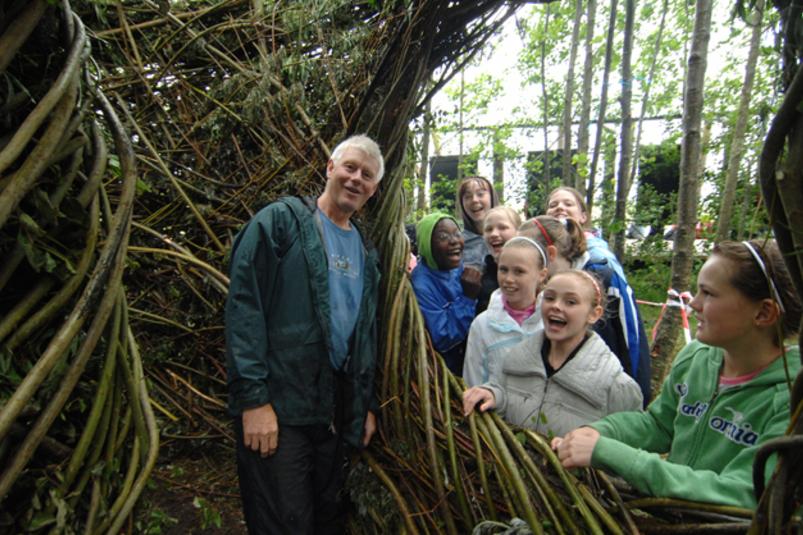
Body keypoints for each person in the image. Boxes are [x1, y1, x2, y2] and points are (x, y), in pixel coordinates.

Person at [551, 240, 802, 508]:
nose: (694, 303)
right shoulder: (696, 358)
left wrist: (617, 456)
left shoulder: (791, 397)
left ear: (763, 313)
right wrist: (599, 433)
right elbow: (660, 424)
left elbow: (744, 492)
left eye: (709, 293)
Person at [225, 134, 383, 534]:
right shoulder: (281, 222)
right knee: (283, 521)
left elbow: (363, 337)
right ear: (330, 168)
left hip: (332, 411)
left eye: (367, 175)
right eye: (349, 167)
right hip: (279, 408)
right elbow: (245, 308)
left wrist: (364, 404)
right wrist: (254, 401)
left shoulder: (367, 252)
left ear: (374, 189)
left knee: (325, 519)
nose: (355, 179)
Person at [463, 269, 643, 437]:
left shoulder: (616, 387)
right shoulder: (516, 361)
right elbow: (505, 395)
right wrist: (494, 396)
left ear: (594, 314)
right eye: (549, 298)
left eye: (570, 302)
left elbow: (628, 450)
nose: (556, 306)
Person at [520, 215, 652, 405]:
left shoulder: (602, 276)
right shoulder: (543, 284)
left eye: (527, 251)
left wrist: (638, 391)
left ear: (549, 254)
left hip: (610, 396)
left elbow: (630, 335)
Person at [463, 236, 548, 387]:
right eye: (503, 270)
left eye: (519, 271)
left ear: (542, 275)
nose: (508, 279)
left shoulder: (550, 322)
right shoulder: (483, 325)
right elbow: (473, 381)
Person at [412, 212, 482, 375]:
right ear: (426, 244)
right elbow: (441, 337)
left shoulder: (455, 267)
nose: (454, 241)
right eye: (443, 236)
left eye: (457, 234)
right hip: (443, 371)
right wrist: (468, 299)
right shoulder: (421, 284)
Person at [545, 186, 628, 284]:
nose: (559, 207)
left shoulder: (599, 257)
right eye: (553, 205)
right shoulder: (542, 252)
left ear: (583, 217)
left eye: (568, 204)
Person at [476, 206, 522, 314]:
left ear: (518, 232)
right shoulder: (479, 277)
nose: (494, 234)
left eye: (502, 227)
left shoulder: (532, 272)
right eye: (488, 229)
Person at [456, 176, 499, 267]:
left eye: (480, 194)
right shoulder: (457, 243)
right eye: (468, 197)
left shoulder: (509, 236)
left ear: (492, 198)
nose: (474, 200)